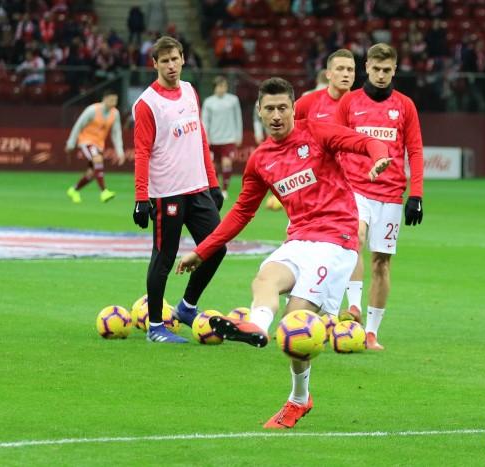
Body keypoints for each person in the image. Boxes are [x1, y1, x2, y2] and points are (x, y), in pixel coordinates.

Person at [175, 77, 390, 428]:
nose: (276, 116)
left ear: (293, 109)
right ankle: (256, 327)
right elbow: (242, 212)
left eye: (282, 108)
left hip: (337, 240)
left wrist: (379, 158)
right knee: (265, 278)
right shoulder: (260, 160)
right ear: (259, 112)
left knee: (294, 327)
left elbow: (365, 142)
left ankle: (299, 399)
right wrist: (202, 251)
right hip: (300, 239)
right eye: (269, 109)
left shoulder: (317, 133)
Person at [132, 36, 227, 343]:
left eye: (175, 59)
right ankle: (155, 327)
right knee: (164, 257)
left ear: (183, 59)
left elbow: (200, 138)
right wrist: (141, 198)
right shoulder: (147, 104)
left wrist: (213, 183)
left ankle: (186, 307)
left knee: (216, 248)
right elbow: (142, 152)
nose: (171, 66)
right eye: (165, 61)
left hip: (197, 188)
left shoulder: (189, 90)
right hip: (167, 194)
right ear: (155, 64)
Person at [335, 43, 424, 350]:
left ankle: (371, 333)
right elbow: (335, 144)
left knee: (381, 263)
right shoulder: (349, 103)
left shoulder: (405, 106)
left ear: (394, 69)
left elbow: (415, 151)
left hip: (391, 195)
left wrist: (416, 195)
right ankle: (353, 307)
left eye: (387, 70)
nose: (382, 75)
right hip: (355, 188)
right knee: (354, 239)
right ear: (367, 68)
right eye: (377, 69)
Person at [65, 90, 125, 203]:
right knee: (98, 160)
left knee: (93, 173)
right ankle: (104, 191)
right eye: (111, 100)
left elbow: (116, 133)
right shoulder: (92, 110)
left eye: (115, 100)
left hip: (99, 145)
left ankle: (74, 190)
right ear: (104, 99)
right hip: (86, 141)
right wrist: (71, 143)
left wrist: (120, 151)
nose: (114, 103)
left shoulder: (115, 113)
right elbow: (78, 125)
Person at [202, 76, 243, 199]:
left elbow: (238, 118)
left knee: (226, 163)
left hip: (228, 138)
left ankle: (224, 190)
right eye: (220, 86)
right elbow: (205, 121)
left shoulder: (233, 100)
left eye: (224, 86)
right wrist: (206, 137)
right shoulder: (208, 102)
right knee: (214, 166)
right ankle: (216, 188)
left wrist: (238, 135)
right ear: (214, 87)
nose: (222, 88)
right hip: (214, 139)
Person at [295, 49, 355, 122]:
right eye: (340, 69)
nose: (346, 74)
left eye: (350, 70)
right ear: (328, 74)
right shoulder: (307, 103)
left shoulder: (363, 105)